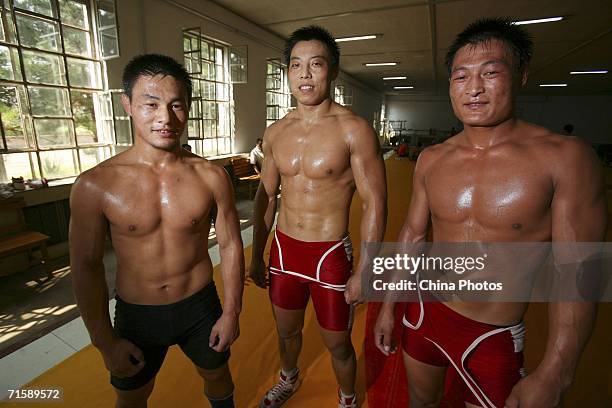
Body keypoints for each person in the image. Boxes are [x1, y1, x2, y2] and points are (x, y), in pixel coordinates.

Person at [374, 18, 606, 408]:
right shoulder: (431, 158)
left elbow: (580, 268)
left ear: (521, 75)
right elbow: (412, 236)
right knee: (421, 402)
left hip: (491, 334)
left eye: (491, 73)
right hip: (424, 313)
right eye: (461, 76)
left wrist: (557, 371)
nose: (474, 88)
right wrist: (387, 307)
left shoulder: (565, 158)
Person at [69, 54, 244, 408]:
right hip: (138, 313)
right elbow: (86, 267)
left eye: (175, 104)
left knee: (217, 374)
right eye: (150, 104)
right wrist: (104, 341)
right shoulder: (95, 185)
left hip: (200, 305)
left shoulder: (211, 176)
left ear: (188, 107)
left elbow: (230, 246)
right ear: (127, 105)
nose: (165, 118)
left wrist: (232, 312)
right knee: (132, 395)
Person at [249, 26, 387, 408]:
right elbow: (266, 197)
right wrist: (256, 252)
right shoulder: (275, 133)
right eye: (296, 66)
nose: (305, 74)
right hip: (284, 251)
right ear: (287, 73)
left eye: (315, 65)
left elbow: (375, 202)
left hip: (329, 257)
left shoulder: (354, 130)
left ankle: (347, 399)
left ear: (334, 71)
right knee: (286, 331)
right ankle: (288, 378)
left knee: (338, 342)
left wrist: (367, 270)